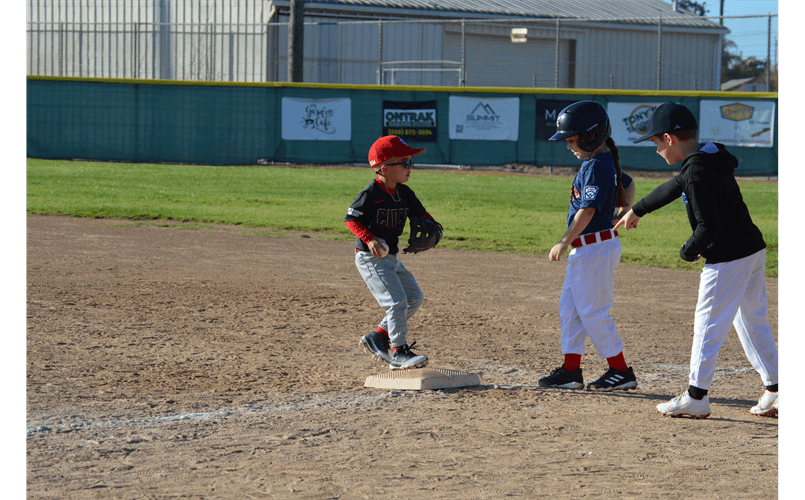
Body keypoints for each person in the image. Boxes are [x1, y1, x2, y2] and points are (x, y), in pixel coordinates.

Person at [616, 102, 779, 419]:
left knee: (707, 326)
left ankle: (696, 396)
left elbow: (709, 226)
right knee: (751, 321)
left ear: (670, 138)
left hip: (728, 257)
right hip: (751, 249)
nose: (657, 150)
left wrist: (688, 250)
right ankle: (776, 388)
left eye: (657, 142)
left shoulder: (697, 172)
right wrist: (638, 209)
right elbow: (675, 185)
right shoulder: (706, 158)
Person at [538, 101, 639, 392]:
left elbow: (588, 210)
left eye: (572, 140)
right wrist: (625, 208)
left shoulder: (596, 165)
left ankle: (620, 370)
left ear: (591, 136)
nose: (569, 146)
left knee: (593, 312)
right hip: (589, 249)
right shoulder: (601, 162)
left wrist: (563, 240)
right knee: (570, 308)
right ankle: (571, 371)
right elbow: (628, 183)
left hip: (594, 248)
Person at [344, 135, 442, 370]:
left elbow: (423, 215)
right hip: (370, 258)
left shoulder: (404, 193)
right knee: (397, 302)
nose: (410, 168)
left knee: (414, 298)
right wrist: (369, 239)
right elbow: (351, 219)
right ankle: (398, 352)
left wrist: (435, 227)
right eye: (405, 163)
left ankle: (378, 335)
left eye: (411, 162)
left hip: (391, 258)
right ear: (384, 167)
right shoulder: (371, 193)